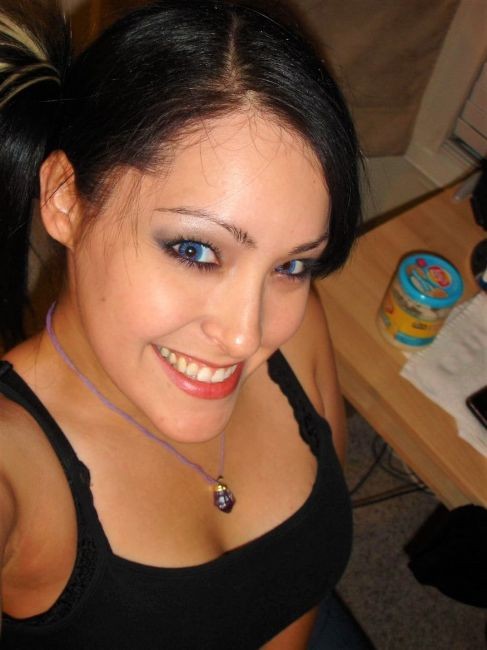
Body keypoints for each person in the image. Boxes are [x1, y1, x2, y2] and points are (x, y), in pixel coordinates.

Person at [0, 0, 363, 647]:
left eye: (291, 264)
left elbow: (301, 583)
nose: (246, 336)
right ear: (65, 200)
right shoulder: (14, 466)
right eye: (195, 250)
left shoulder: (297, 323)